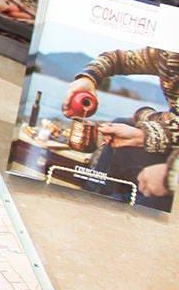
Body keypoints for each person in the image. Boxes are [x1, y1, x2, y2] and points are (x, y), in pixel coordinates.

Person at [67, 47, 178, 206]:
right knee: (122, 124)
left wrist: (169, 177)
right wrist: (88, 78)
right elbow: (117, 59)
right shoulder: (168, 55)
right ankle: (90, 200)